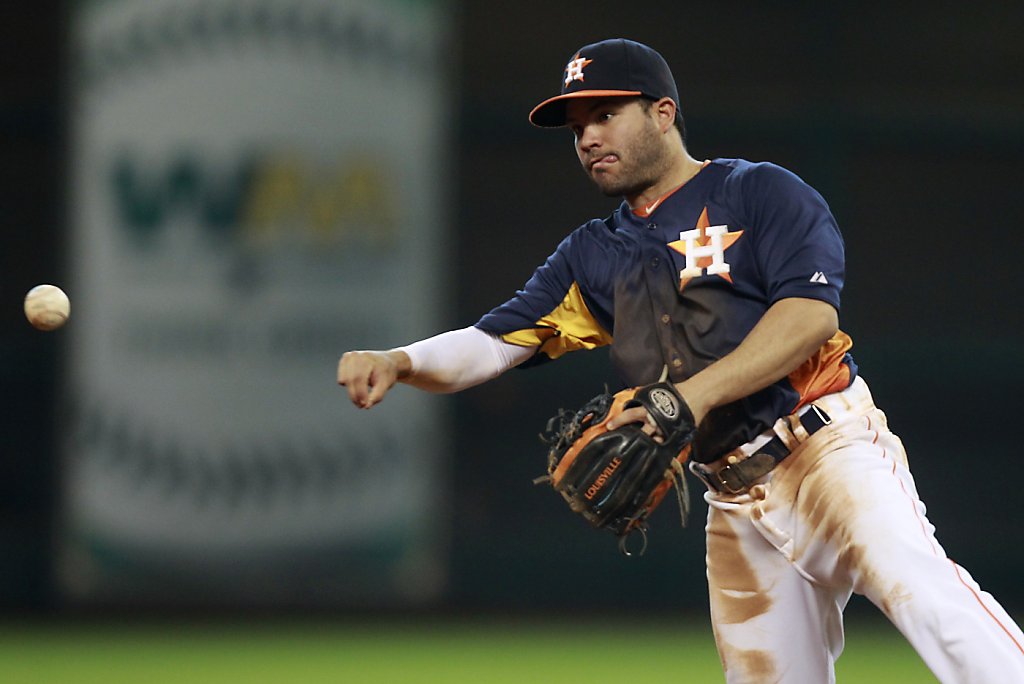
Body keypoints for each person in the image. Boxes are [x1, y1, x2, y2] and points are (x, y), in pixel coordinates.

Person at [337, 38, 1024, 683]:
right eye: (577, 128)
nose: (589, 139)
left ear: (663, 113)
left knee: (928, 598)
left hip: (827, 449)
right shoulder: (592, 256)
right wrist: (399, 360)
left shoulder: (759, 194)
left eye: (606, 114)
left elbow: (811, 315)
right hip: (733, 495)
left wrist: (694, 396)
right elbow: (496, 342)